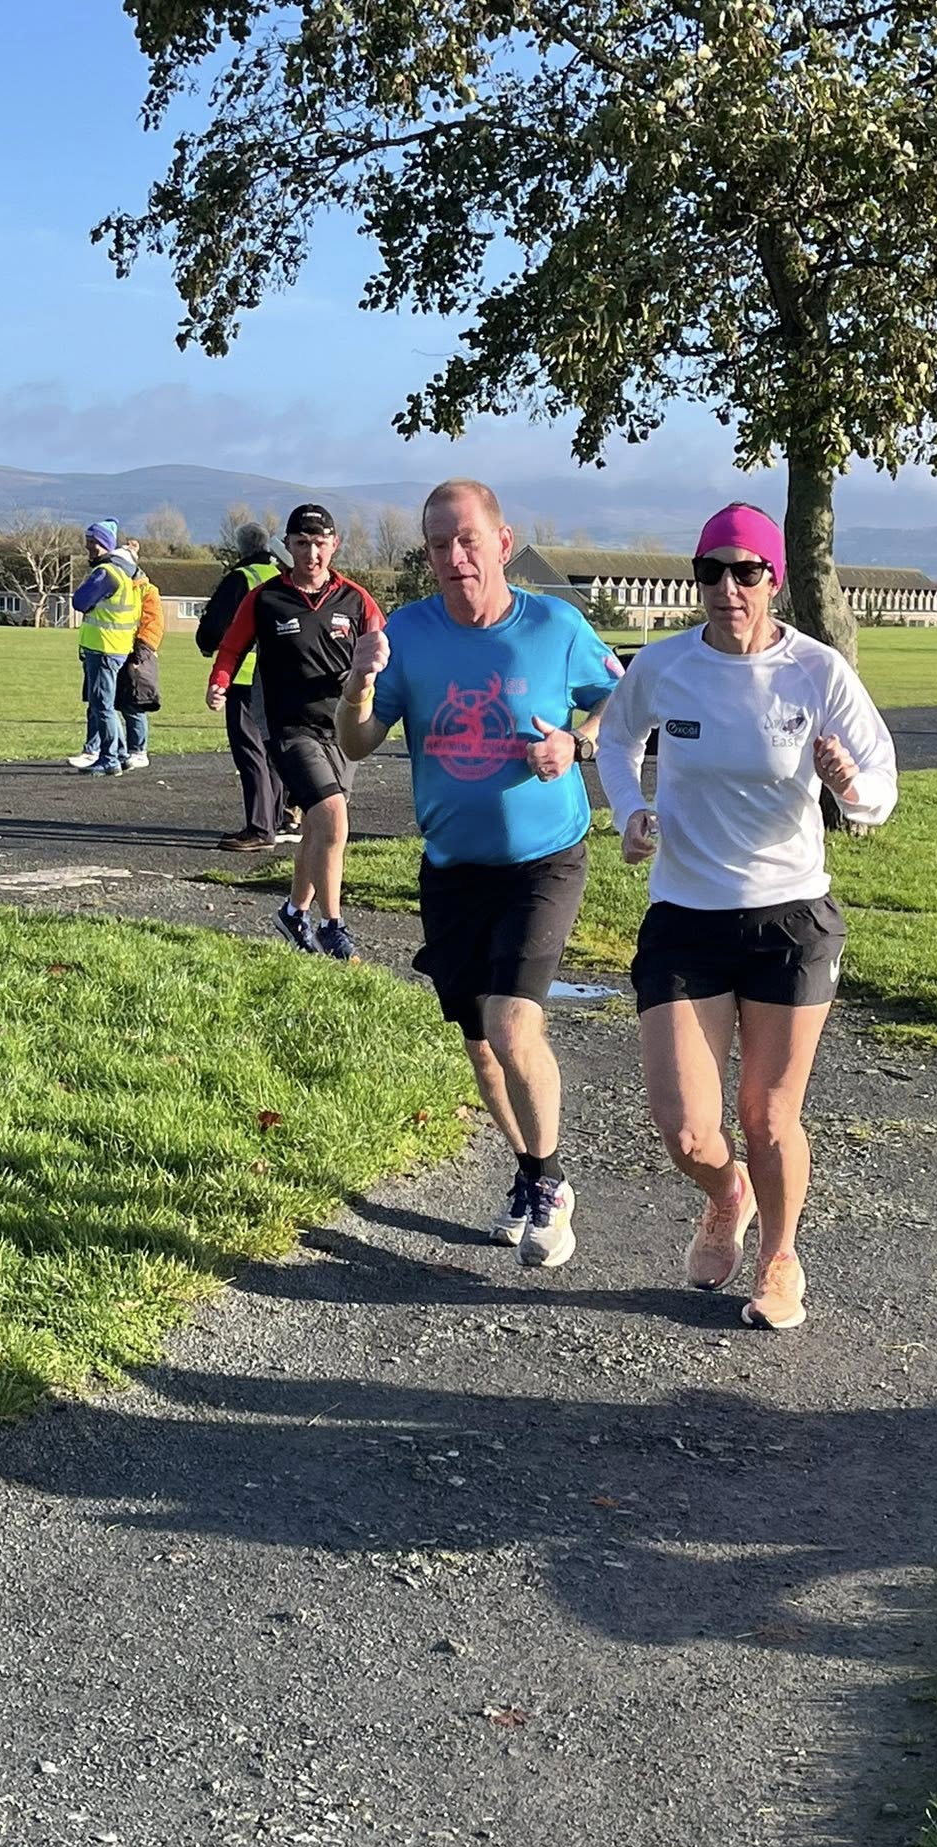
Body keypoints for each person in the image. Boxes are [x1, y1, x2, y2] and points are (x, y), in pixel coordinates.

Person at [597, 502, 897, 1329]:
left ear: (774, 579)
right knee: (688, 1131)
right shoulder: (665, 666)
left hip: (788, 921)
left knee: (767, 1117)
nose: (728, 588)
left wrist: (849, 787)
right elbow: (617, 740)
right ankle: (728, 1193)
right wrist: (630, 812)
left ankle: (780, 1257)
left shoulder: (816, 671)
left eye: (747, 572)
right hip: (685, 916)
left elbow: (880, 785)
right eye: (712, 572)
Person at [336, 478, 620, 1270]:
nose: (454, 556)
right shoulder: (408, 633)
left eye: (467, 539)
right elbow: (356, 743)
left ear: (502, 543)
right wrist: (359, 683)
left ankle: (551, 1185)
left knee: (513, 1023)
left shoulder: (553, 626)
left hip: (544, 860)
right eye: (438, 544)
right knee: (483, 1049)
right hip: (452, 868)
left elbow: (628, 700)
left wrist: (575, 742)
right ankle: (530, 1171)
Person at [208, 505, 383, 959]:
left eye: (320, 544)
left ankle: (293, 912)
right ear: (287, 546)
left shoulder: (355, 599)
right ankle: (332, 925)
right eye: (302, 544)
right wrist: (220, 681)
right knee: (333, 816)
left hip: (342, 727)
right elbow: (231, 646)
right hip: (288, 727)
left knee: (319, 828)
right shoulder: (266, 598)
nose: (312, 553)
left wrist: (379, 678)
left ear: (334, 545)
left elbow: (383, 648)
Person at [197, 521, 289, 850]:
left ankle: (259, 827)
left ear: (241, 547)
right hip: (280, 677)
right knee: (273, 751)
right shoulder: (280, 576)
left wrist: (207, 644)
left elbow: (214, 627)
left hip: (245, 676)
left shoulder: (241, 578)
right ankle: (277, 819)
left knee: (250, 751)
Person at [71, 520, 143, 778]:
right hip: (117, 646)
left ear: (105, 544)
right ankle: (121, 754)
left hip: (103, 646)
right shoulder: (126, 573)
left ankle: (109, 759)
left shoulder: (106, 573)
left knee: (102, 705)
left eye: (93, 542)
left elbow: (79, 601)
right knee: (107, 704)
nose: (88, 547)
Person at [117, 538, 162, 769]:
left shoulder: (146, 590)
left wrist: (141, 652)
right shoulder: (119, 586)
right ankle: (119, 749)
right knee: (116, 702)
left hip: (136, 652)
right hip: (117, 648)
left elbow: (153, 623)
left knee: (134, 703)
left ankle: (138, 750)